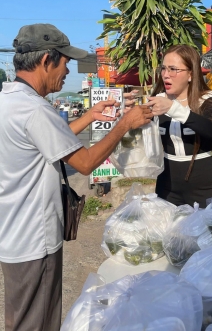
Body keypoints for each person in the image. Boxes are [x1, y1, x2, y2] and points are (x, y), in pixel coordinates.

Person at [0, 24, 153, 331]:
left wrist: (91, 116)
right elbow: (83, 163)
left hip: (13, 235)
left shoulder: (10, 100)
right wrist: (124, 124)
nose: (68, 71)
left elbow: (52, 143)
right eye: (65, 62)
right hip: (34, 241)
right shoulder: (34, 110)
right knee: (36, 324)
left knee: (22, 318)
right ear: (46, 61)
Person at [141, 44, 212, 208]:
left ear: (191, 74)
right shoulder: (158, 99)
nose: (166, 75)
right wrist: (126, 115)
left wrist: (172, 108)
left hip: (203, 182)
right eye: (163, 69)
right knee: (170, 232)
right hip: (167, 182)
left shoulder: (207, 98)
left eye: (173, 69)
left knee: (208, 232)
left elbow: (210, 129)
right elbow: (140, 138)